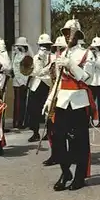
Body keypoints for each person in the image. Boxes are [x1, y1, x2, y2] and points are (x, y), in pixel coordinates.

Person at [42, 18, 96, 191]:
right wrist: (49, 99)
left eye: (70, 33)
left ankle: (80, 176)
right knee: (57, 138)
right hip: (62, 99)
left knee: (80, 141)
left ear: (78, 35)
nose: (67, 36)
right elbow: (57, 80)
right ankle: (65, 171)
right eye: (65, 33)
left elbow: (87, 78)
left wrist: (72, 65)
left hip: (79, 99)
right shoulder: (61, 54)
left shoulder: (87, 54)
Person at [42, 36, 67, 167]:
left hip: (64, 98)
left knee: (64, 130)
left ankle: (66, 155)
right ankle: (55, 154)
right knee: (51, 128)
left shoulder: (67, 62)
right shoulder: (52, 62)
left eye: (61, 48)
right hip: (52, 97)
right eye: (56, 48)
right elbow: (39, 72)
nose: (58, 51)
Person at [27, 34, 53, 142]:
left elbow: (49, 68)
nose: (43, 47)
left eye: (45, 45)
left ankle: (49, 132)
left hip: (47, 84)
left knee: (48, 109)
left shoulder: (52, 57)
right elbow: (33, 70)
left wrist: (43, 61)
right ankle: (35, 132)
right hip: (35, 85)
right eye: (42, 45)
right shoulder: (35, 56)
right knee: (33, 110)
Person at [11, 37, 31, 129]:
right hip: (18, 83)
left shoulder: (24, 55)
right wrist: (21, 82)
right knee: (18, 104)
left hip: (25, 82)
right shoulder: (17, 56)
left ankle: (23, 121)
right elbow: (16, 70)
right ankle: (17, 122)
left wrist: (26, 82)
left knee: (23, 103)